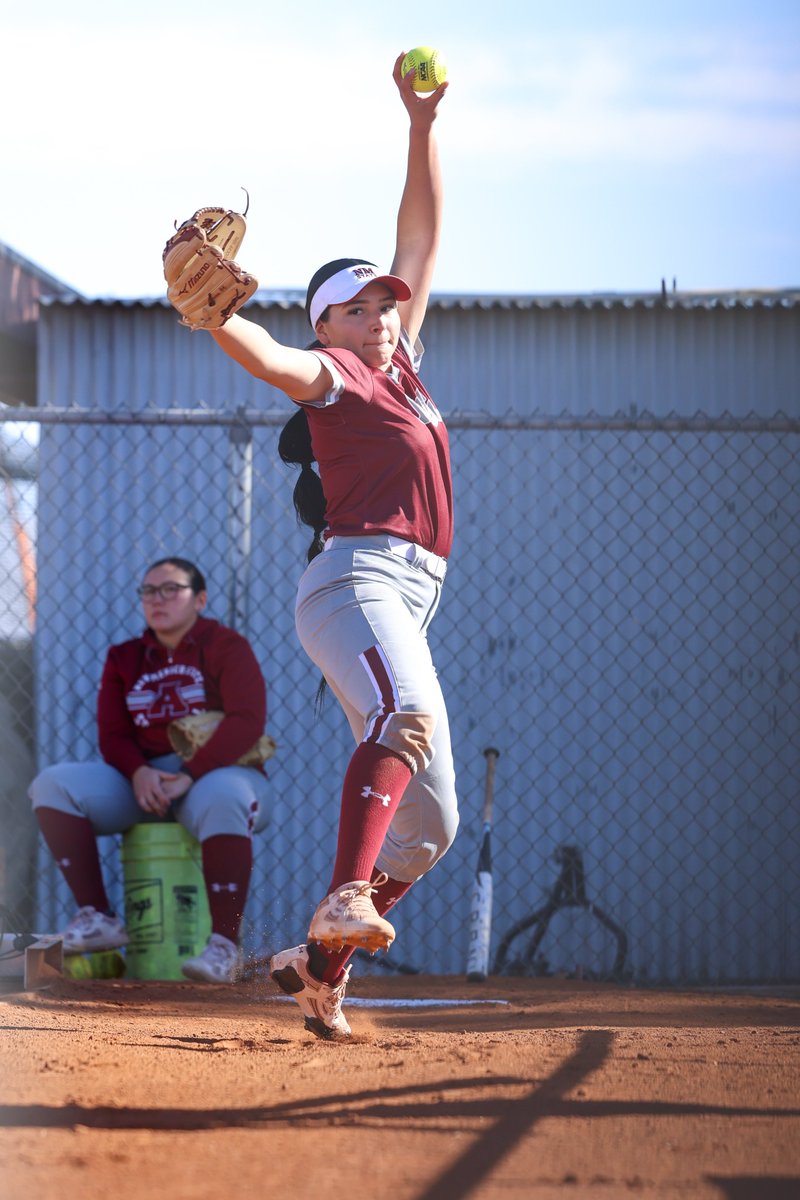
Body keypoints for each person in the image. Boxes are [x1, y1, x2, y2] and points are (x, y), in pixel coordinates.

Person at [176, 51, 457, 1039]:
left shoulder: (402, 364)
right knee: (405, 710)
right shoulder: (333, 374)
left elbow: (415, 236)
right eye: (361, 305)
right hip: (355, 580)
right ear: (328, 323)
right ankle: (344, 895)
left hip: (406, 596)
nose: (382, 314)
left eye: (387, 304)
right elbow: (267, 356)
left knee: (432, 828)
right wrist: (220, 318)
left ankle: (318, 966)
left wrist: (419, 127)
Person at [29, 556, 270, 983]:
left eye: (170, 589)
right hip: (143, 782)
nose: (156, 599)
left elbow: (246, 721)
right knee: (52, 785)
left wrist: (191, 774)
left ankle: (223, 947)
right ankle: (99, 917)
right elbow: (114, 734)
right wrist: (138, 772)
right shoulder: (124, 657)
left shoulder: (225, 645)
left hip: (215, 776)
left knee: (226, 796)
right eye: (148, 591)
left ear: (200, 599)